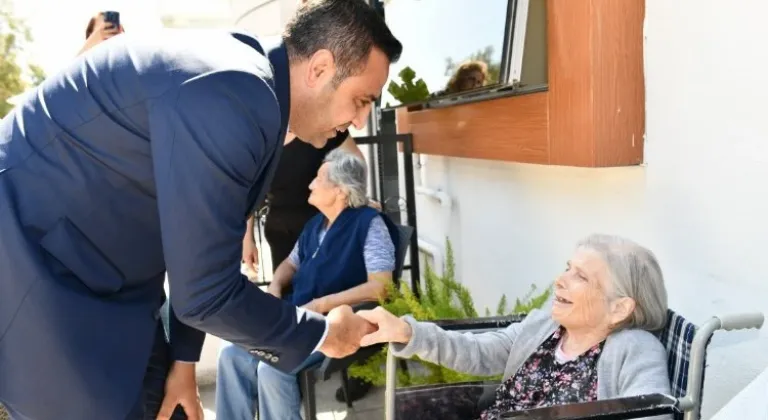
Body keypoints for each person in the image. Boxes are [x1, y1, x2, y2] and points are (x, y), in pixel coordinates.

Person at [0, 0, 402, 419]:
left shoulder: (255, 92)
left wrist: (185, 364)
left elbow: (210, 257)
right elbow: (207, 293)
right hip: (33, 260)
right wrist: (322, 336)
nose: (360, 121)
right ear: (319, 68)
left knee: (170, 408)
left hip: (109, 274)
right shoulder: (233, 93)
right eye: (361, 100)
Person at [359, 234, 673, 420]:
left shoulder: (635, 349)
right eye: (568, 268)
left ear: (619, 308)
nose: (560, 280)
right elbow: (480, 352)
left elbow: (651, 413)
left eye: (581, 277)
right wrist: (408, 332)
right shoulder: (545, 326)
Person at [218, 149, 398, 419]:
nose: (310, 183)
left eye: (318, 178)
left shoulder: (370, 225)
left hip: (337, 324)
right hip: (299, 319)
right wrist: (276, 287)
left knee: (273, 368)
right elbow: (290, 265)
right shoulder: (316, 225)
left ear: (340, 190)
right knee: (230, 356)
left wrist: (323, 304)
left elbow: (381, 287)